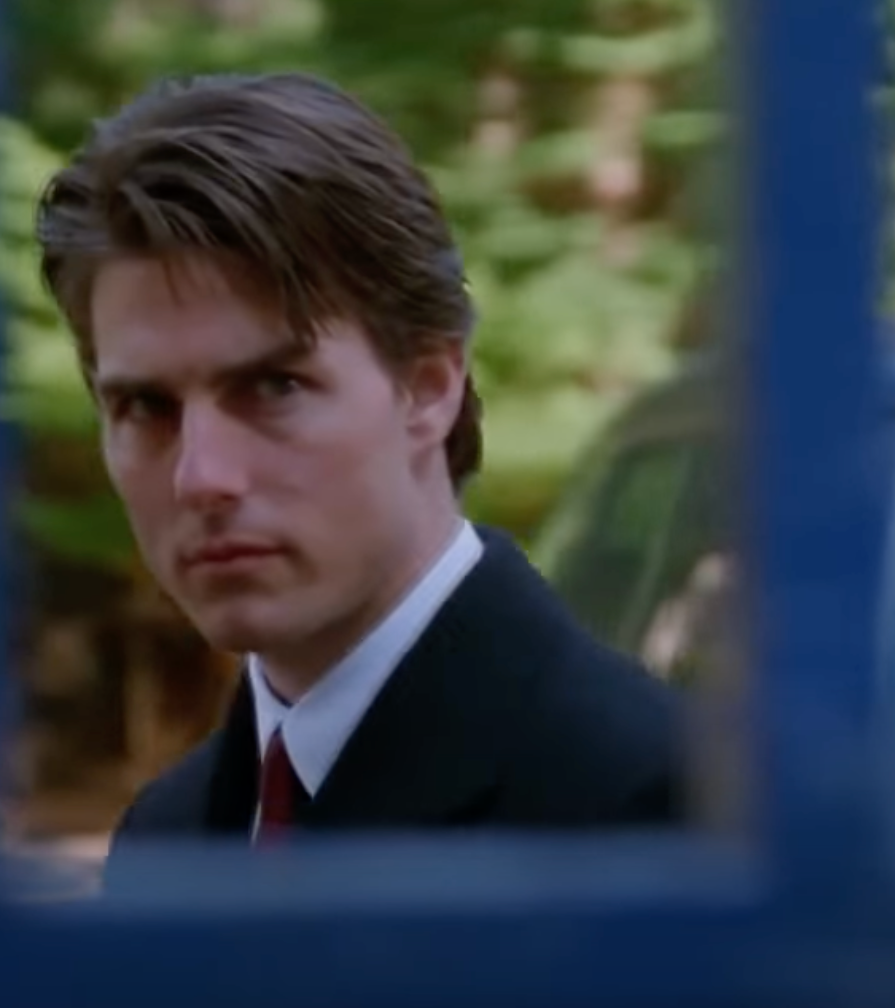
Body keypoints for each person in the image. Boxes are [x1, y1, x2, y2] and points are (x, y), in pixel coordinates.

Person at [33, 71, 684, 894]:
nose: (202, 477)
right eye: (145, 406)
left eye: (273, 387)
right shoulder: (169, 841)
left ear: (430, 386)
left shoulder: (654, 807)